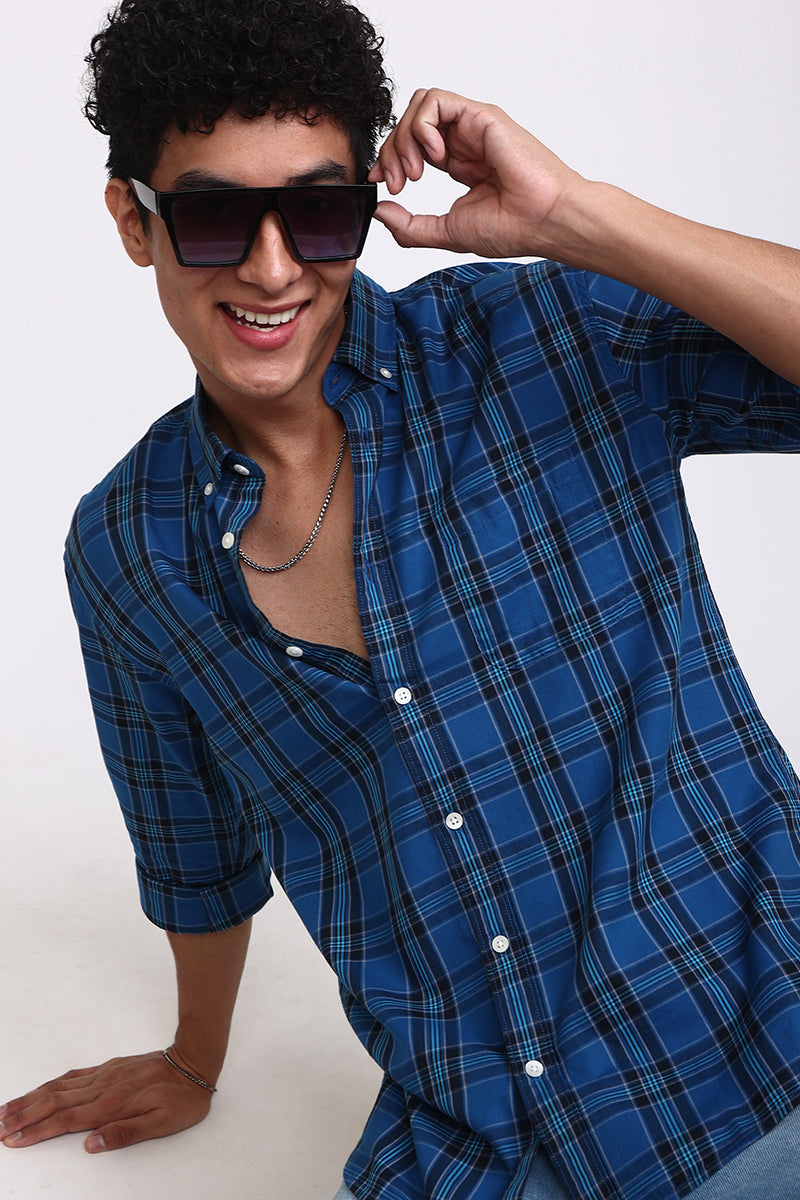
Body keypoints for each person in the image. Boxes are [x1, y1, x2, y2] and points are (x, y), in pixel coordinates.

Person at [2, 0, 800, 1197]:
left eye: (317, 211)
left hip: (767, 1046)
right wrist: (193, 1059)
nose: (273, 268)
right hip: (480, 1149)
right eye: (214, 218)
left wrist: (576, 216)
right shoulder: (127, 548)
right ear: (134, 219)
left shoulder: (542, 338)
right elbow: (193, 850)